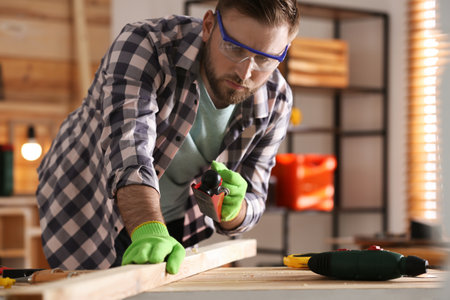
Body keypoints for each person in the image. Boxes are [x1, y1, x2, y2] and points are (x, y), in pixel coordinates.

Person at [36, 0, 301, 274]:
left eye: (265, 59)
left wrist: (236, 210)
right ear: (209, 26)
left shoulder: (276, 100)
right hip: (87, 205)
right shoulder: (147, 45)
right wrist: (148, 229)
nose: (245, 72)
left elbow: (255, 195)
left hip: (176, 222)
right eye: (234, 48)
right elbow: (129, 147)